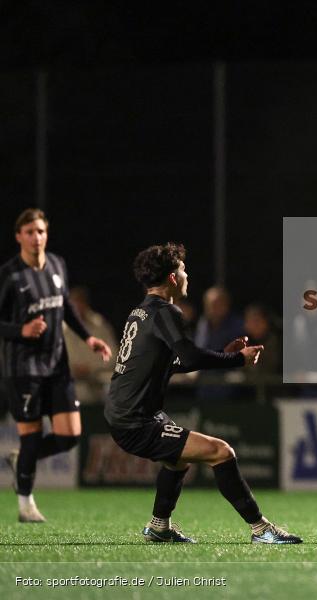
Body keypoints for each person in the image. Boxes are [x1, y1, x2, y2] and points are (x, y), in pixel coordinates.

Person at [105, 243, 300, 544]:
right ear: (172, 278)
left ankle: (158, 527)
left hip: (129, 414)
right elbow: (192, 358)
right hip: (136, 420)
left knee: (177, 461)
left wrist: (221, 355)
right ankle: (261, 529)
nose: (187, 275)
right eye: (183, 269)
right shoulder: (166, 312)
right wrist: (238, 359)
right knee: (221, 452)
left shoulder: (142, 311)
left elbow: (172, 363)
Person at [0, 208, 112, 522]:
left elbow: (65, 308)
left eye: (41, 231)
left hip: (57, 365)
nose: (37, 238)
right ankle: (26, 505)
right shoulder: (11, 275)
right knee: (32, 435)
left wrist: (89, 339)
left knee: (70, 435)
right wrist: (20, 330)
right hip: (24, 370)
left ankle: (23, 459)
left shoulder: (57, 265)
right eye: (30, 232)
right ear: (19, 236)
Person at [63, 286, 118, 404]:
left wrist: (91, 368)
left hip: (99, 384)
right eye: (73, 304)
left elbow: (112, 356)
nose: (77, 307)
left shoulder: (100, 325)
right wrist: (74, 369)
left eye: (80, 302)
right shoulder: (62, 329)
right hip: (72, 383)